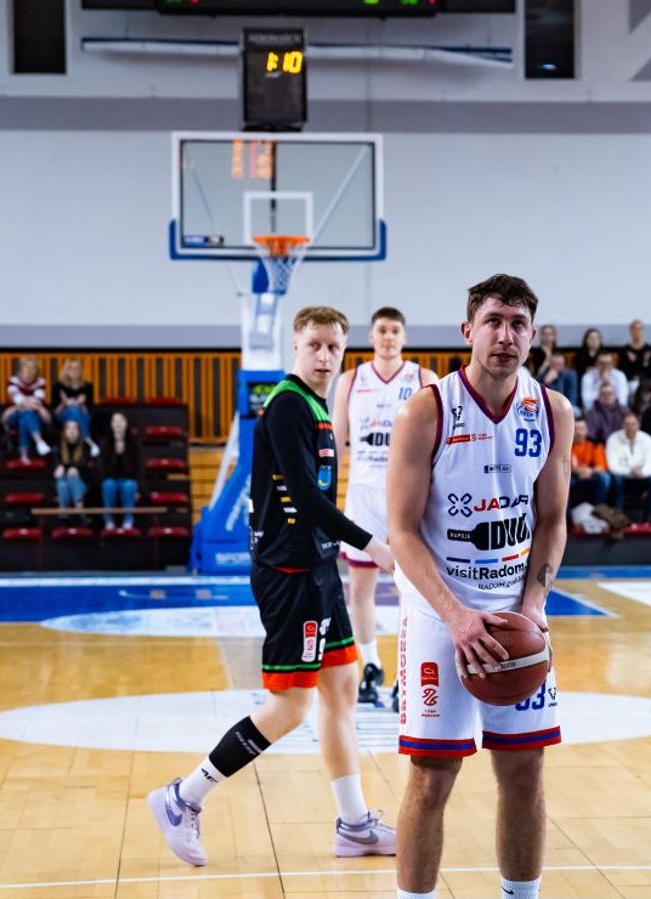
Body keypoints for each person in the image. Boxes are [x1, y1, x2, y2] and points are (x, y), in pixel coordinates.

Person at [385, 273, 582, 899]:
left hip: (514, 610)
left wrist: (532, 606)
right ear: (468, 330)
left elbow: (552, 521)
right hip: (441, 614)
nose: (506, 334)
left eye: (519, 322)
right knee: (432, 776)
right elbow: (401, 532)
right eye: (494, 320)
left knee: (526, 771)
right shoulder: (426, 409)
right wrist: (458, 617)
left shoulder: (552, 411)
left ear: (534, 334)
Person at [148, 306, 399, 867]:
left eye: (334, 347)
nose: (324, 356)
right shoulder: (287, 404)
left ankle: (354, 825)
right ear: (296, 347)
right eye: (314, 345)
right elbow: (306, 499)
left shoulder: (315, 404)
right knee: (290, 706)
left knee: (342, 689)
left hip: (318, 567)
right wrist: (372, 544)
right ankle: (183, 797)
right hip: (290, 575)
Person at [332, 306, 439, 709]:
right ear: (371, 336)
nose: (389, 337)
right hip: (362, 495)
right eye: (382, 330)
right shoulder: (350, 380)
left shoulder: (423, 379)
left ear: (404, 337)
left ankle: (405, 672)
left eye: (395, 330)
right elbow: (335, 442)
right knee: (360, 588)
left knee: (412, 588)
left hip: (406, 497)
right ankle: (371, 665)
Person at [606, 412, 651, 522]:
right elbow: (612, 466)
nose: (630, 427)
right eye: (627, 424)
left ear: (639, 425)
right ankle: (618, 519)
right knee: (617, 480)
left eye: (633, 424)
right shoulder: (613, 439)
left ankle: (648, 520)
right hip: (623, 477)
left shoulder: (647, 439)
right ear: (622, 425)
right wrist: (630, 471)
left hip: (642, 477)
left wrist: (641, 473)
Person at [3, 357, 52, 462]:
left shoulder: (41, 383)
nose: (29, 371)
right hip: (14, 416)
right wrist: (27, 404)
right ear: (20, 370)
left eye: (33, 368)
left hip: (30, 416)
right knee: (27, 414)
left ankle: (24, 454)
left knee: (25, 416)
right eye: (26, 368)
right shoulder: (13, 381)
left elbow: (37, 400)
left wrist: (27, 404)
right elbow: (18, 399)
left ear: (36, 371)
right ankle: (39, 441)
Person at [99, 411, 141, 530]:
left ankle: (128, 519)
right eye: (115, 421)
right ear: (111, 425)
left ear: (126, 424)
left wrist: (139, 489)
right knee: (108, 485)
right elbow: (102, 468)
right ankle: (109, 520)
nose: (118, 424)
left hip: (128, 479)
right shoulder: (105, 443)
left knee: (129, 486)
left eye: (121, 421)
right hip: (110, 478)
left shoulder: (133, 443)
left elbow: (138, 467)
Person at [53, 358, 99, 455]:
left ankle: (76, 441)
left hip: (83, 415)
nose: (75, 371)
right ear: (66, 370)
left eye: (77, 368)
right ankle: (87, 439)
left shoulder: (88, 386)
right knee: (74, 409)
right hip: (62, 415)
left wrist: (81, 404)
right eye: (71, 368)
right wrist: (64, 403)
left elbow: (88, 413)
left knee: (75, 410)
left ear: (81, 370)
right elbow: (55, 412)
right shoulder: (58, 386)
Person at [52, 418, 93, 521]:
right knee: (62, 485)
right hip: (63, 482)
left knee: (71, 475)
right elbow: (55, 467)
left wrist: (65, 467)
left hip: (82, 483)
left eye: (75, 428)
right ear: (64, 431)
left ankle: (67, 512)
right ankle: (77, 508)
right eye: (69, 428)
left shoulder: (86, 446)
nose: (72, 431)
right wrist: (62, 468)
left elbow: (82, 464)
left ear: (79, 431)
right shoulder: (58, 446)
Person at [569, 417, 615, 509]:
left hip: (591, 474)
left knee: (604, 477)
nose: (578, 432)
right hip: (572, 475)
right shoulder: (566, 446)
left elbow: (600, 466)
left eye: (581, 429)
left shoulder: (594, 445)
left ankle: (599, 509)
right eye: (575, 428)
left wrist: (590, 471)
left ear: (587, 430)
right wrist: (577, 471)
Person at [617, 319, 651, 385]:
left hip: (645, 382)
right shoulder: (624, 350)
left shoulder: (649, 350)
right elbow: (622, 371)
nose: (637, 332)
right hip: (629, 382)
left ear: (643, 331)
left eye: (639, 329)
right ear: (630, 331)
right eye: (634, 329)